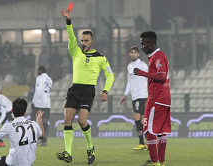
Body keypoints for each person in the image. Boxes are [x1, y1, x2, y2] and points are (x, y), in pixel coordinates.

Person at [57, 9, 114, 164]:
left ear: (92, 42)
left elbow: (110, 75)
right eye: (82, 40)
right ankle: (68, 153)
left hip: (88, 91)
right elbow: (70, 36)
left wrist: (105, 91)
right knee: (67, 120)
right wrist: (68, 21)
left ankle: (90, 147)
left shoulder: (101, 58)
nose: (83, 43)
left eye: (86, 41)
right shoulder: (75, 52)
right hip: (74, 89)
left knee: (82, 122)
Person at [134, 31, 171, 166]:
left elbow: (161, 76)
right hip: (164, 99)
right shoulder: (156, 56)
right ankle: (161, 162)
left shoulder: (158, 56)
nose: (142, 47)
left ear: (150, 43)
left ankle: (154, 161)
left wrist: (141, 73)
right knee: (161, 132)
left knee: (148, 130)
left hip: (156, 98)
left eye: (143, 44)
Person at [119, 46, 148, 150]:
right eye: (131, 52)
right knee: (142, 119)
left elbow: (149, 78)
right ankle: (149, 142)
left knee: (136, 116)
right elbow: (129, 81)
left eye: (135, 52)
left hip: (142, 95)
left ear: (138, 54)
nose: (133, 54)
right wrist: (125, 95)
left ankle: (141, 143)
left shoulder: (143, 65)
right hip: (135, 96)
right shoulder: (130, 66)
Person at [31, 66, 53, 146]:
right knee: (45, 122)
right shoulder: (50, 79)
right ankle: (44, 140)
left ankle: (35, 139)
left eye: (38, 70)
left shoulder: (39, 78)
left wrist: (33, 101)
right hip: (47, 104)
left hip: (38, 103)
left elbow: (38, 90)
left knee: (34, 121)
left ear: (40, 70)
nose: (37, 72)